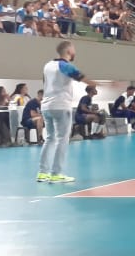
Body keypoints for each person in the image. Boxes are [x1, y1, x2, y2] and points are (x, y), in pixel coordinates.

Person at [37, 40, 95, 184]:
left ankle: (42, 173)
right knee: (62, 140)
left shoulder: (47, 65)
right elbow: (80, 77)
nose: (75, 52)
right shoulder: (65, 65)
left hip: (46, 105)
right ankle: (56, 173)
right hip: (61, 105)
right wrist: (95, 84)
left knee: (50, 139)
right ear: (68, 51)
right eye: (73, 49)